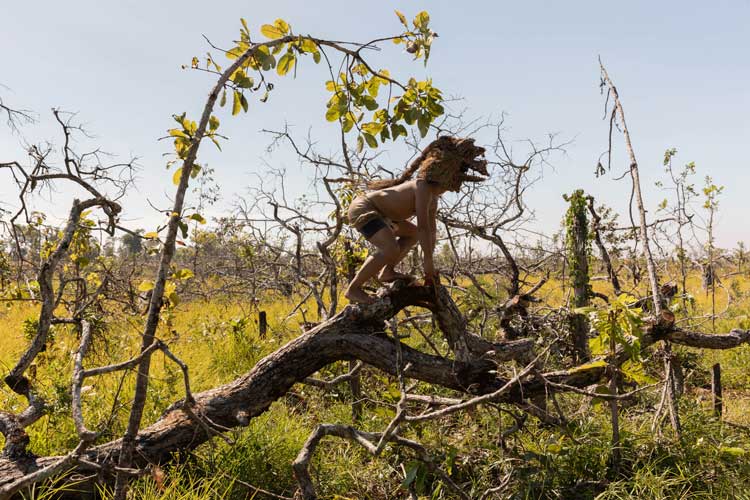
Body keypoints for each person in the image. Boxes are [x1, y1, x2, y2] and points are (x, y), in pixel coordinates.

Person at [344, 136, 488, 304]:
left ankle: (387, 271)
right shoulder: (423, 188)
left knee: (412, 234)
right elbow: (423, 227)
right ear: (443, 176)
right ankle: (353, 289)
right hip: (365, 208)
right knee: (390, 248)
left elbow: (431, 231)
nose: (446, 190)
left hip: (385, 215)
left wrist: (430, 264)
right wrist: (427, 263)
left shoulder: (432, 198)